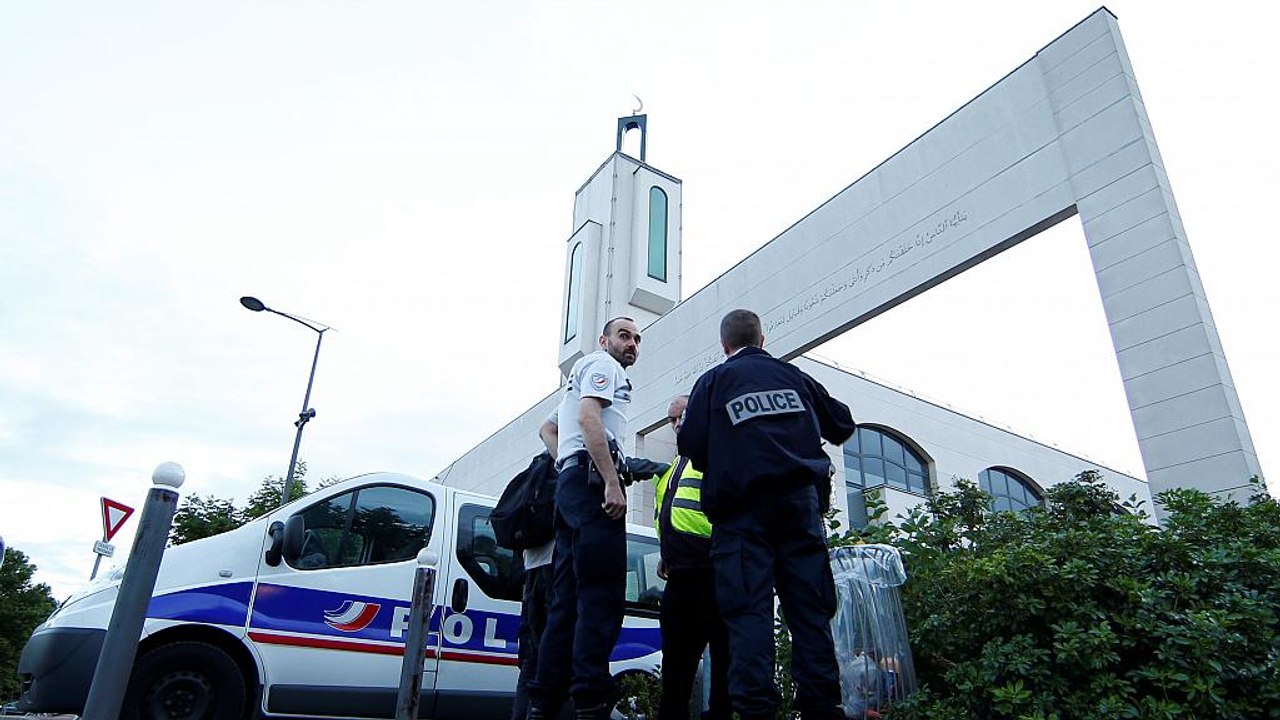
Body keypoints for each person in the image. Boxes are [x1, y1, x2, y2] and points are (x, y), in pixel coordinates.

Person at [677, 309, 856, 720]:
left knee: (748, 613)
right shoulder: (795, 377)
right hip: (799, 508)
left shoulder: (713, 382)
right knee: (810, 609)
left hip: (740, 516)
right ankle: (821, 707)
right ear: (762, 339)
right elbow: (841, 424)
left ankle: (756, 711)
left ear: (725, 347)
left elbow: (691, 444)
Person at [527, 317, 642, 720]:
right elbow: (589, 419)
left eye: (636, 339)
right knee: (601, 596)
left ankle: (544, 702)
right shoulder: (602, 366)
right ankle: (591, 701)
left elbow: (547, 428)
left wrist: (566, 464)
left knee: (568, 600)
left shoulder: (581, 375)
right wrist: (611, 481)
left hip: (574, 485)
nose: (631, 344)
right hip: (592, 487)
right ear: (604, 340)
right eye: (624, 335)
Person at [653, 395, 731, 720]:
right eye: (671, 420)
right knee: (675, 672)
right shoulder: (675, 464)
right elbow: (671, 514)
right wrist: (665, 553)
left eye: (681, 416)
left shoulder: (716, 451)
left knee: (724, 670)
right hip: (679, 576)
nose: (676, 424)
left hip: (713, 573)